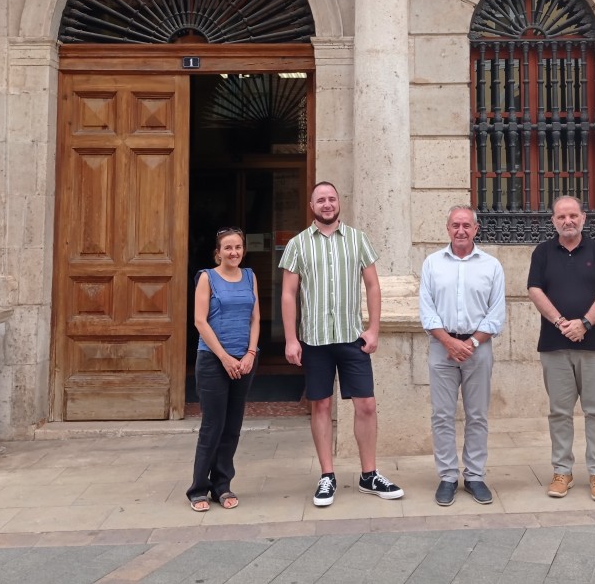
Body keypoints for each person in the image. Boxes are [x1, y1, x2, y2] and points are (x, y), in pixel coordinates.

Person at [279, 181, 404, 507]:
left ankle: (368, 474)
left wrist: (374, 329)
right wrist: (291, 339)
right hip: (315, 341)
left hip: (352, 338)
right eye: (321, 199)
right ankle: (327, 475)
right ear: (312, 205)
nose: (327, 204)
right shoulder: (297, 245)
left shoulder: (359, 240)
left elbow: (373, 286)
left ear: (339, 203)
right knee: (320, 405)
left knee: (366, 406)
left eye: (331, 198)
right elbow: (288, 294)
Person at [526, 195, 595, 502]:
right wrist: (560, 322)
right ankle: (562, 472)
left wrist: (585, 323)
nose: (568, 221)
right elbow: (534, 290)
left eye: (573, 215)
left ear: (583, 218)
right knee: (559, 413)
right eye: (561, 216)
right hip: (555, 346)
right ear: (553, 220)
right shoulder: (542, 252)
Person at [418, 205, 506, 506]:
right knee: (442, 416)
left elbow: (496, 314)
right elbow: (427, 312)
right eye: (455, 225)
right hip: (441, 349)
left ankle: (475, 476)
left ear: (476, 229)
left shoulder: (491, 266)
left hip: (477, 349)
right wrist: (449, 342)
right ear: (447, 228)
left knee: (477, 415)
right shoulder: (432, 264)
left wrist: (470, 343)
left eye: (466, 225)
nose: (461, 230)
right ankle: (447, 477)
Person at [186, 227, 260, 512]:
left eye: (238, 247)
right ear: (218, 252)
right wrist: (226, 358)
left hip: (245, 361)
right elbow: (200, 322)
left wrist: (251, 353)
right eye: (228, 248)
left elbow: (255, 318)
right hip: (214, 361)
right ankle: (197, 488)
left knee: (232, 427)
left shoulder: (250, 276)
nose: (234, 252)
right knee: (212, 426)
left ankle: (222, 485)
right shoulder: (207, 277)